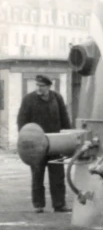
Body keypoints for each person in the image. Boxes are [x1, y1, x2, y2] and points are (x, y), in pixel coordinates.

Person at [17, 75, 72, 213]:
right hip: (36, 144)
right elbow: (21, 120)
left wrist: (68, 138)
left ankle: (59, 204)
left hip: (55, 143)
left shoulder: (57, 98)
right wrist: (25, 139)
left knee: (58, 175)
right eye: (37, 85)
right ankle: (38, 205)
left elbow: (64, 119)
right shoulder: (28, 99)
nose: (39, 88)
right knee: (37, 175)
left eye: (41, 86)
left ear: (48, 86)